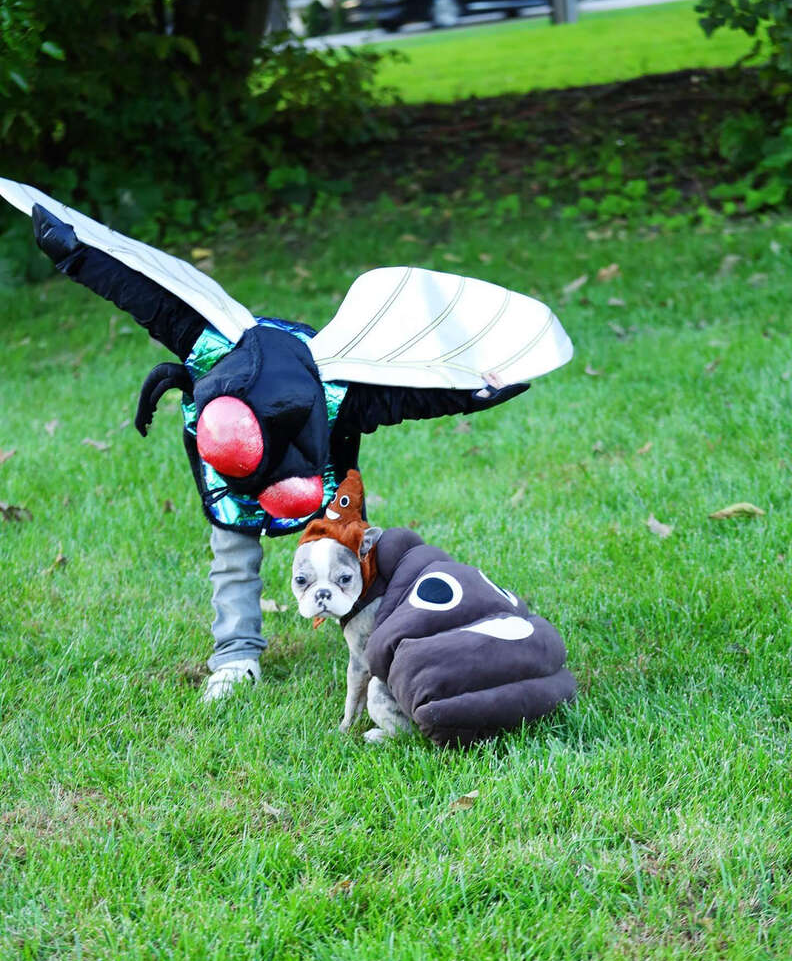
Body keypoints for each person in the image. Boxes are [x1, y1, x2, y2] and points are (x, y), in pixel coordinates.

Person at [4, 181, 573, 699]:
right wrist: (74, 251)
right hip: (231, 465)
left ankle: (370, 630)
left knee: (348, 545)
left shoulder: (337, 393)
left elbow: (410, 395)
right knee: (233, 553)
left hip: (318, 471)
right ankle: (235, 654)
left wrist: (475, 390)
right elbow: (139, 288)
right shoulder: (206, 350)